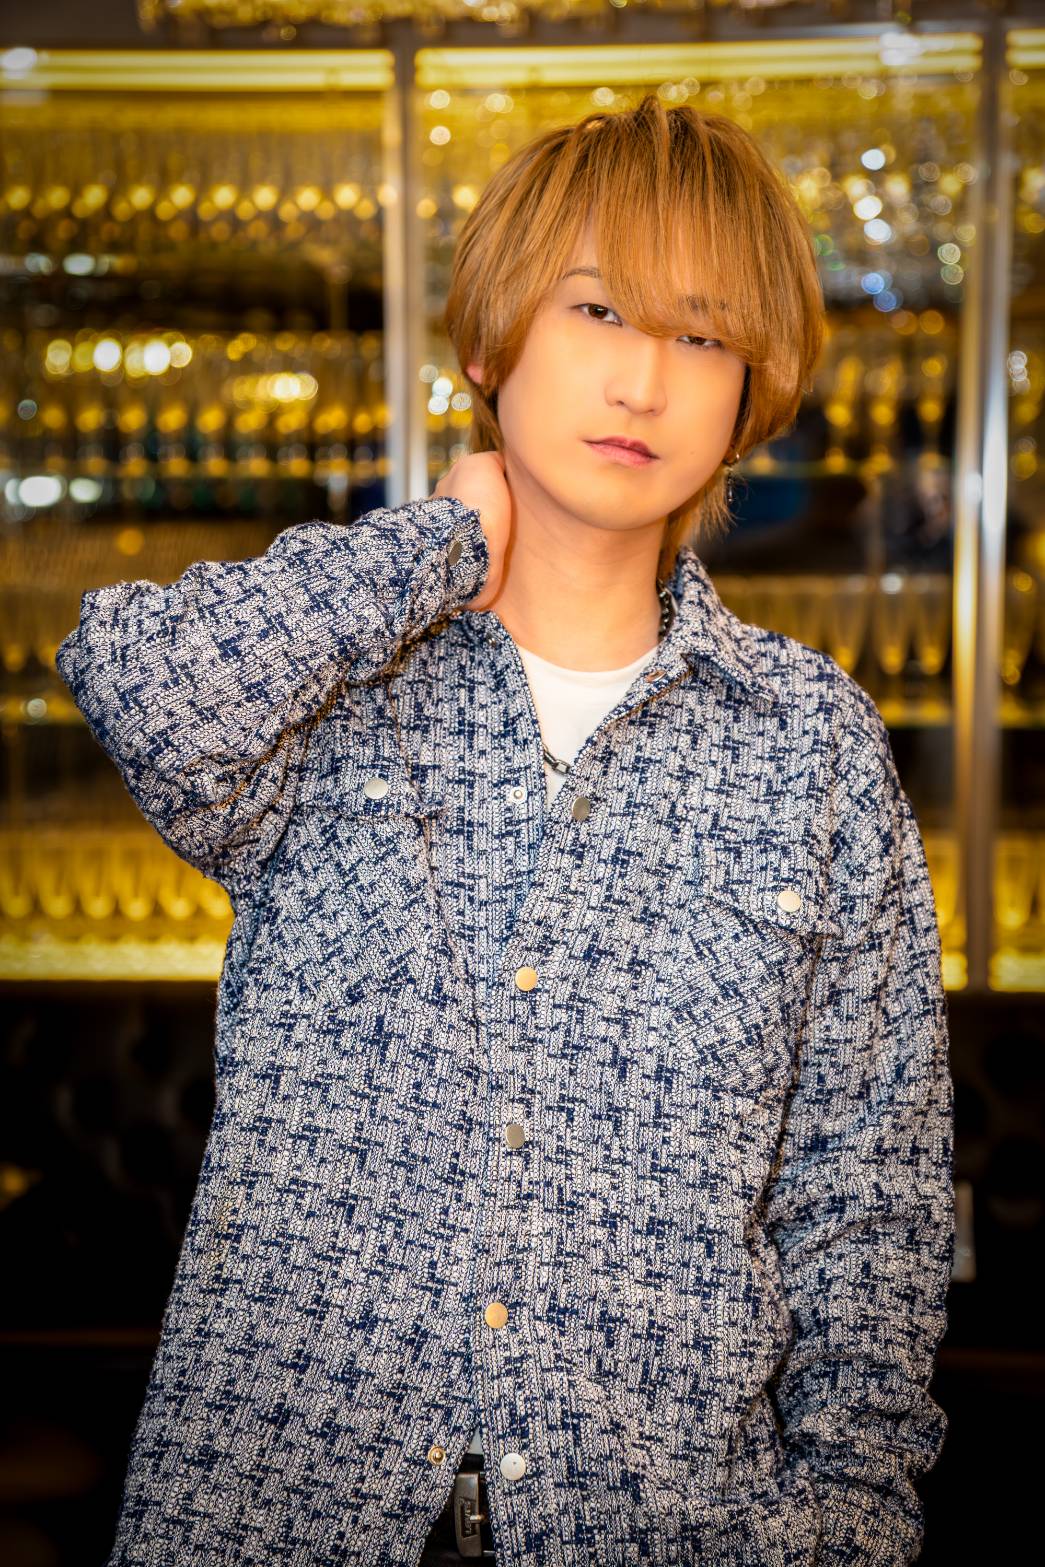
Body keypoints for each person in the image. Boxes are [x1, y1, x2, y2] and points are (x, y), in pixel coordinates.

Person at [56, 94, 954, 1567]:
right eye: (598, 309)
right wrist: (434, 544)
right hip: (279, 1515)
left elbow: (871, 1199)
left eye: (703, 335)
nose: (643, 382)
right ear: (491, 343)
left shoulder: (811, 748)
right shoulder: (337, 691)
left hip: (668, 1527)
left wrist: (848, 1526)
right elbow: (133, 681)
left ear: (749, 390)